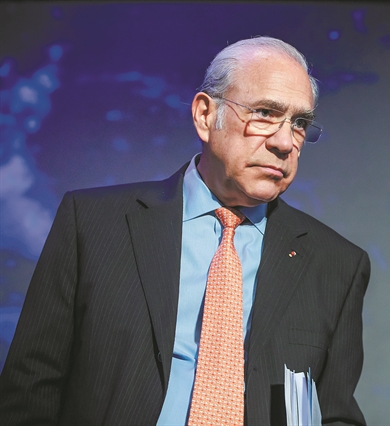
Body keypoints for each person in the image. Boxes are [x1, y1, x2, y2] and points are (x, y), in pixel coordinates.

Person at [0, 37, 370, 425]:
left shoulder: (336, 265)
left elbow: (333, 413)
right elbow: (30, 389)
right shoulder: (94, 224)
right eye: (264, 113)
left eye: (299, 124)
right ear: (205, 115)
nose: (284, 142)